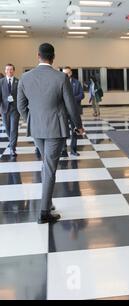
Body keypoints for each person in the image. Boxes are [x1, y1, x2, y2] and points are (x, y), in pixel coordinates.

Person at [17, 43, 85, 224]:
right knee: (49, 168)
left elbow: (20, 106)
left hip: (37, 129)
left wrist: (31, 120)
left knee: (45, 165)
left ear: (37, 55)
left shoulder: (25, 77)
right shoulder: (61, 77)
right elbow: (71, 106)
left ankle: (48, 201)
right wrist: (78, 125)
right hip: (56, 128)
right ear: (53, 57)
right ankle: (44, 213)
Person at [62, 66, 85, 156]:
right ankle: (63, 150)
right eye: (64, 73)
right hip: (63, 111)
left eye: (68, 73)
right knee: (63, 131)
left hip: (74, 110)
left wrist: (71, 99)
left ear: (71, 73)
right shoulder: (60, 83)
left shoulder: (77, 83)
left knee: (75, 130)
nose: (66, 74)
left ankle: (73, 150)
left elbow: (82, 95)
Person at [0, 64, 20, 157]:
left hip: (15, 109)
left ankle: (12, 148)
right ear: (5, 71)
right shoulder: (1, 82)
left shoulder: (18, 82)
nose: (9, 71)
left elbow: (20, 96)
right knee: (7, 128)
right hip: (4, 109)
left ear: (14, 71)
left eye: (11, 69)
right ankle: (11, 141)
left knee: (13, 129)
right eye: (7, 69)